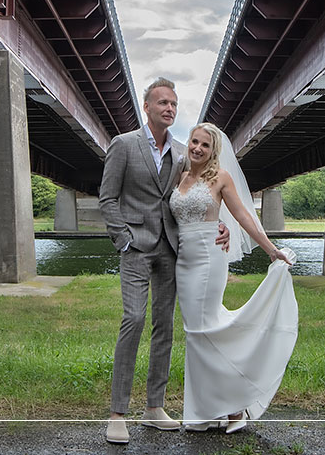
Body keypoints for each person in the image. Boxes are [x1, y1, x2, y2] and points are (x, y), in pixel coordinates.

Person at [98, 78, 230, 445]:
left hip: (171, 249)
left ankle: (154, 407)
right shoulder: (124, 145)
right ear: (147, 107)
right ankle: (117, 413)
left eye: (173, 103)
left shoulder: (180, 152)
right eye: (162, 103)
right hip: (135, 248)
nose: (169, 108)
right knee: (134, 319)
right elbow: (108, 198)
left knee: (164, 327)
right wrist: (123, 239)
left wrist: (221, 225)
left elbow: (198, 189)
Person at [170, 121, 298, 433]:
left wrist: (271, 250)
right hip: (183, 262)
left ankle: (234, 408)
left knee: (202, 331)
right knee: (196, 333)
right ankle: (210, 410)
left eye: (205, 145)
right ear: (189, 143)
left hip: (209, 259)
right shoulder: (179, 174)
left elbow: (242, 215)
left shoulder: (220, 177)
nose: (198, 149)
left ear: (214, 151)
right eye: (195, 142)